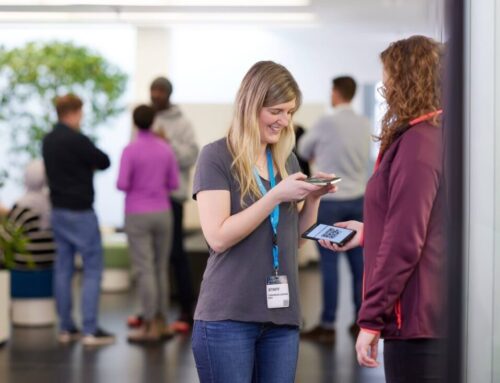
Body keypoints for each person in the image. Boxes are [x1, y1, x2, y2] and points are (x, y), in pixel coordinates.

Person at [191, 61, 337, 383]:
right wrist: (274, 196)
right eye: (276, 111)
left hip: (281, 319)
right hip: (227, 316)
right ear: (251, 106)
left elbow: (296, 239)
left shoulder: (285, 159)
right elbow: (217, 237)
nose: (285, 122)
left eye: (290, 112)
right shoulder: (215, 157)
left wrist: (312, 198)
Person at [319, 36, 445, 382]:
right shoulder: (433, 135)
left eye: (388, 77)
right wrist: (368, 232)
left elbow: (406, 241)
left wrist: (371, 318)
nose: (385, 86)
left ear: (407, 80)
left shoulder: (419, 143)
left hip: (418, 322)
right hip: (430, 315)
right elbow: (426, 224)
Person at [298, 76, 371, 343]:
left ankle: (328, 324)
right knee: (358, 265)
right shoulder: (364, 123)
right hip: (359, 199)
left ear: (336, 92)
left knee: (328, 264)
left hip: (329, 199)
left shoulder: (326, 122)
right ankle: (360, 321)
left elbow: (303, 148)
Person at [42, 94, 115, 346]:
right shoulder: (78, 139)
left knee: (63, 268)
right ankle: (90, 330)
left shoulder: (48, 140)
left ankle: (66, 327)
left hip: (58, 211)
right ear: (74, 111)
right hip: (81, 212)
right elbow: (104, 161)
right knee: (92, 268)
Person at [117, 105, 180, 343]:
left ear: (135, 123)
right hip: (163, 212)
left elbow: (122, 183)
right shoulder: (166, 149)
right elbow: (174, 183)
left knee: (145, 269)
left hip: (137, 213)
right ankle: (163, 322)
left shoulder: (130, 150)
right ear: (154, 121)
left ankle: (150, 324)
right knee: (161, 267)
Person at [148, 77, 199, 331]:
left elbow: (192, 154)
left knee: (176, 254)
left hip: (172, 196)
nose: (155, 95)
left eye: (159, 91)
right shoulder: (145, 120)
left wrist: (165, 144)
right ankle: (152, 312)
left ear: (168, 94)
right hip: (148, 197)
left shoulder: (182, 123)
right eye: (152, 91)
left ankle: (186, 310)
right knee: (150, 257)